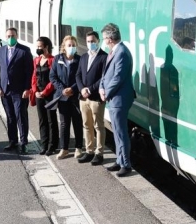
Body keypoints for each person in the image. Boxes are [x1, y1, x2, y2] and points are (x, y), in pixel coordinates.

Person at [99, 23, 135, 177]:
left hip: (119, 98)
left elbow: (118, 77)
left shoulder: (121, 52)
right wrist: (101, 87)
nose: (103, 41)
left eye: (104, 38)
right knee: (117, 132)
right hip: (114, 97)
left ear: (110, 38)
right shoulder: (114, 51)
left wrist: (106, 92)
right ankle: (120, 160)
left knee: (121, 133)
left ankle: (126, 164)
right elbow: (106, 74)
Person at [0, 27, 33, 153]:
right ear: (6, 37)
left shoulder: (24, 51)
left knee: (21, 116)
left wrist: (27, 88)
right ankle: (12, 141)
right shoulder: (0, 51)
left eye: (13, 36)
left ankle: (24, 142)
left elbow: (29, 71)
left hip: (20, 91)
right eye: (9, 36)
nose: (11, 38)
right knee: (10, 117)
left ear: (17, 36)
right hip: (5, 91)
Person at [75, 31, 108, 165]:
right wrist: (82, 88)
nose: (90, 44)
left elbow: (104, 77)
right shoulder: (83, 57)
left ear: (98, 41)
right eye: (88, 41)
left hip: (95, 98)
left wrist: (90, 89)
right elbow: (78, 75)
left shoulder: (104, 57)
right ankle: (89, 151)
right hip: (83, 98)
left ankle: (99, 153)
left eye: (93, 41)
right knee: (86, 125)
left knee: (98, 126)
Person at [50, 35, 83, 160]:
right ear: (64, 46)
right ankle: (64, 149)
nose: (72, 47)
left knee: (77, 122)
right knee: (64, 124)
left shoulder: (80, 60)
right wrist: (62, 89)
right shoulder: (57, 59)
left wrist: (73, 89)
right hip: (62, 96)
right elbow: (53, 76)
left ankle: (79, 147)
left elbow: (81, 77)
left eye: (74, 45)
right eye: (69, 45)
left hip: (75, 97)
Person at [31, 37, 57, 156]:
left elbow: (53, 79)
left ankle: (52, 145)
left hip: (49, 94)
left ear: (46, 47)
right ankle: (44, 144)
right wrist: (35, 91)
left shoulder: (53, 60)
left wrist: (45, 92)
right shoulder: (36, 60)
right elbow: (34, 77)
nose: (38, 49)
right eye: (37, 47)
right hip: (39, 94)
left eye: (40, 47)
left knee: (51, 120)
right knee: (42, 120)